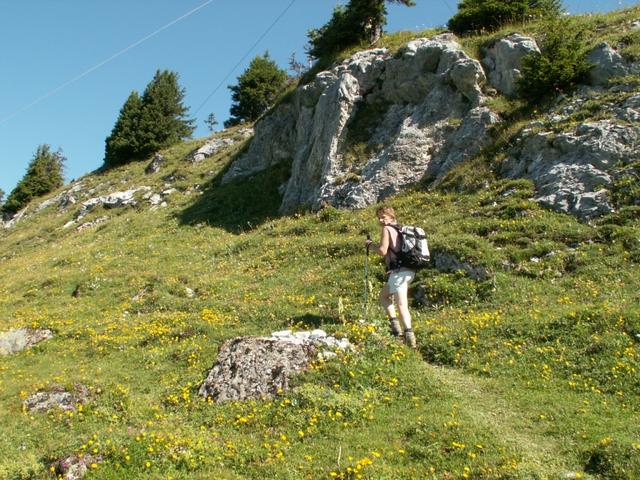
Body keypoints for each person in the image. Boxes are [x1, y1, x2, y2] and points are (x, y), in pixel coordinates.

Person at [365, 205, 417, 348]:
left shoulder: (387, 229)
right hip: (409, 271)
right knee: (383, 296)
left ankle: (409, 336)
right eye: (379, 218)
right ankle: (396, 328)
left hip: (399, 272)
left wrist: (370, 245)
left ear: (391, 216)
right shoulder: (401, 228)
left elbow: (382, 251)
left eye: (383, 217)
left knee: (401, 304)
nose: (381, 220)